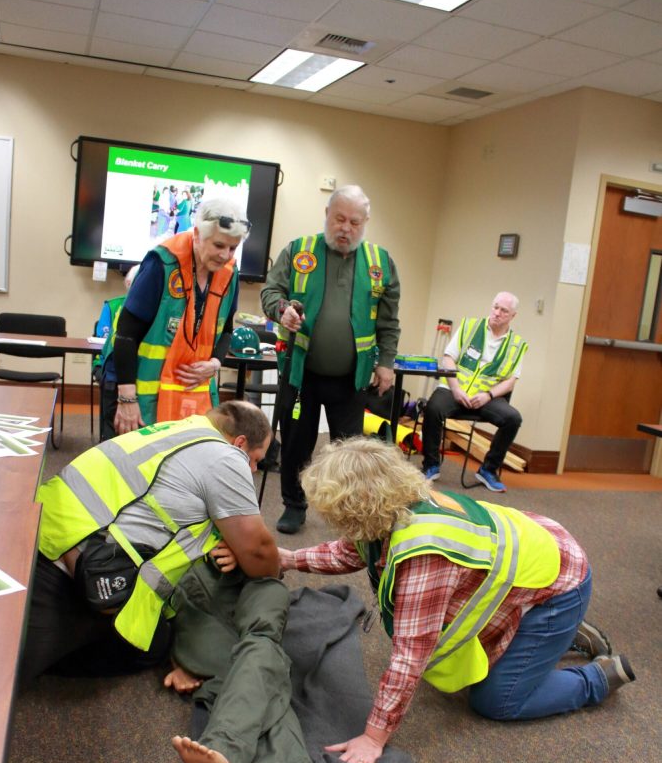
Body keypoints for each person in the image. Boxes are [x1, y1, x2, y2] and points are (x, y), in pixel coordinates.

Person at [278, 437, 636, 763]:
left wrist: (373, 737)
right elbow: (348, 552)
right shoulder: (396, 503)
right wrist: (290, 559)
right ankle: (550, 632)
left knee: (497, 700)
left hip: (559, 587)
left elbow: (410, 655)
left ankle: (595, 676)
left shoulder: (425, 553)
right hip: (539, 554)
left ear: (355, 508)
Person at [20, 401, 277, 684]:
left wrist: (234, 544)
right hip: (66, 564)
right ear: (239, 443)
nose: (254, 469)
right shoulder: (225, 457)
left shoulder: (180, 429)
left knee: (155, 640)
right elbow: (259, 553)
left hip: (39, 523)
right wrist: (254, 556)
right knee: (5, 667)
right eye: (256, 459)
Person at [167, 548, 386, 763]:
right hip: (190, 612)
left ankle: (225, 748)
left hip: (251, 584)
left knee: (260, 640)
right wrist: (173, 659)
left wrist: (244, 554)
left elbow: (264, 550)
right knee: (248, 664)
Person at [260, 184, 401, 535]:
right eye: (339, 219)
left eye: (355, 222)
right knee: (296, 444)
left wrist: (386, 362)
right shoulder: (298, 250)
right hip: (300, 373)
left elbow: (388, 321)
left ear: (364, 223)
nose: (346, 228)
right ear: (327, 215)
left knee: (350, 452)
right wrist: (282, 310)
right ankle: (294, 506)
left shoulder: (381, 263)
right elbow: (270, 291)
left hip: (351, 378)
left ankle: (348, 514)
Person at [99, 195, 250, 440]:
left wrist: (215, 363)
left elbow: (226, 330)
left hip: (183, 391)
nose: (225, 255)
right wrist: (127, 398)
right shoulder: (161, 264)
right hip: (131, 383)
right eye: (219, 245)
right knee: (126, 457)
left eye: (233, 248)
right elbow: (126, 334)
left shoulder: (230, 274)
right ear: (198, 234)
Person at [421, 291, 526, 493]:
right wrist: (456, 389)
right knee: (433, 408)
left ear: (513, 316)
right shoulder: (470, 326)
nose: (497, 313)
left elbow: (510, 382)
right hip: (454, 389)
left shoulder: (517, 344)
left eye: (504, 310)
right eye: (495, 307)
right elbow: (448, 358)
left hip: (486, 397)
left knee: (513, 419)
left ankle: (488, 470)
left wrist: (488, 395)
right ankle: (431, 464)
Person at [94, 264, 140, 440]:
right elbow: (106, 340)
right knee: (113, 432)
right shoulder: (115, 306)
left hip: (141, 378)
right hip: (113, 373)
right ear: (128, 284)